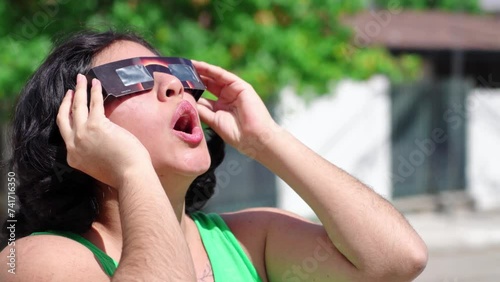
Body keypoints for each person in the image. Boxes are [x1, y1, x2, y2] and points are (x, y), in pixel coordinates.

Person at [0, 30, 427, 281]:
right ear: (74, 120)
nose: (175, 87)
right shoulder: (35, 261)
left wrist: (267, 141)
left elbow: (396, 260)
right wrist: (132, 170)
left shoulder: (251, 240)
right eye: (131, 78)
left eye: (178, 75)